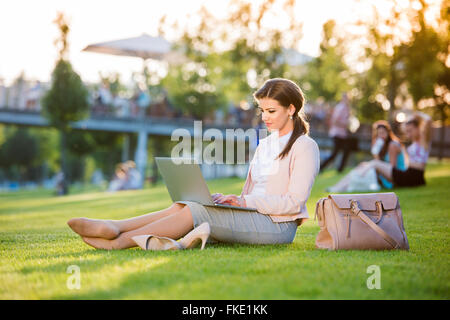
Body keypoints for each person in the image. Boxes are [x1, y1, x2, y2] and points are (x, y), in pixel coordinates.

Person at [66, 78, 320, 250]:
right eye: (262, 110)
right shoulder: (265, 144)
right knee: (187, 203)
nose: (264, 117)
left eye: (271, 111)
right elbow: (254, 192)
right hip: (253, 215)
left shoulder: (304, 147)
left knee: (194, 213)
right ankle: (115, 226)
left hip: (278, 227)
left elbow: (294, 202)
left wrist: (244, 203)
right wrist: (233, 200)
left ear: (291, 109)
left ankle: (118, 242)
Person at [352, 112, 432, 188]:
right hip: (408, 173)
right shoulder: (414, 143)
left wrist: (416, 115)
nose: (408, 134)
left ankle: (360, 175)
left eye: (410, 130)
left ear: (418, 128)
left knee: (375, 163)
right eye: (407, 131)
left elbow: (428, 119)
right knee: (372, 164)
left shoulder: (423, 141)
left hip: (414, 176)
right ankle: (358, 177)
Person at [327, 120, 406, 192]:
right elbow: (379, 162)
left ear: (388, 133)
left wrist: (372, 165)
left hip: (393, 178)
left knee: (364, 171)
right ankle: (337, 187)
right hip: (385, 176)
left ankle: (339, 188)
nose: (381, 136)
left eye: (383, 133)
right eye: (379, 134)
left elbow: (392, 169)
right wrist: (376, 152)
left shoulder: (393, 145)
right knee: (361, 166)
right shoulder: (383, 145)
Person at [320, 93, 352, 173]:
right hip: (337, 133)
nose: (347, 100)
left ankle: (340, 169)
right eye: (345, 98)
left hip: (342, 134)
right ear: (343, 99)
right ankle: (321, 168)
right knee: (335, 153)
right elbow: (334, 121)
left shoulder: (346, 108)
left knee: (346, 150)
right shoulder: (341, 107)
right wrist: (345, 125)